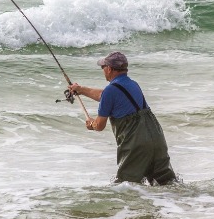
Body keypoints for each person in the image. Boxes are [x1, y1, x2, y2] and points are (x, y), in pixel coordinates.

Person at [69, 51, 177, 185]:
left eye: (103, 67)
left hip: (136, 144)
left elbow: (100, 125)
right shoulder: (133, 84)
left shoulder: (110, 91)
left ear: (109, 69)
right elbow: (105, 95)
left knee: (124, 187)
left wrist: (92, 124)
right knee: (167, 184)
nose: (103, 70)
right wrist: (81, 90)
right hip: (157, 138)